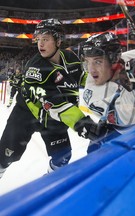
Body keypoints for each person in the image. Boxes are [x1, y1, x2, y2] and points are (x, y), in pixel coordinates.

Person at [0, 18, 101, 178]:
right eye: (39, 39)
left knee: (63, 157)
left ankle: (48, 184)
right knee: (5, 156)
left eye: (45, 39)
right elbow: (52, 103)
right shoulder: (35, 67)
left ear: (59, 40)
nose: (40, 44)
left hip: (53, 121)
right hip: (26, 115)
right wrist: (82, 123)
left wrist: (108, 78)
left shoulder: (71, 58)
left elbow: (86, 78)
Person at [81, 32, 135, 153]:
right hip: (120, 132)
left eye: (97, 61)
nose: (91, 69)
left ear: (114, 58)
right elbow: (130, 116)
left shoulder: (134, 57)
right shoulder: (92, 93)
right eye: (88, 62)